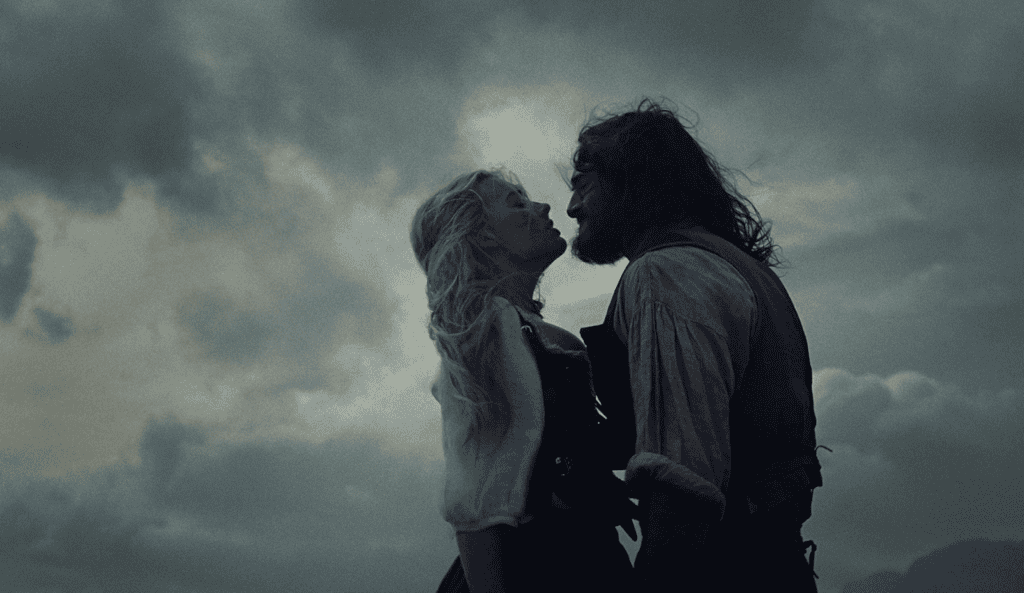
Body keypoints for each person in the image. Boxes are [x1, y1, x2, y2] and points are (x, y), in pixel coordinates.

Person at [566, 100, 824, 591]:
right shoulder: (731, 265)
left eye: (583, 181)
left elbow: (682, 492)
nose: (572, 207)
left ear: (631, 177)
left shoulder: (666, 274)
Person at [410, 170, 636, 592]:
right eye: (517, 203)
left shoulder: (540, 335)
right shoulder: (487, 333)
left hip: (584, 563)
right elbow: (475, 502)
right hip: (531, 572)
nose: (544, 207)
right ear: (484, 238)